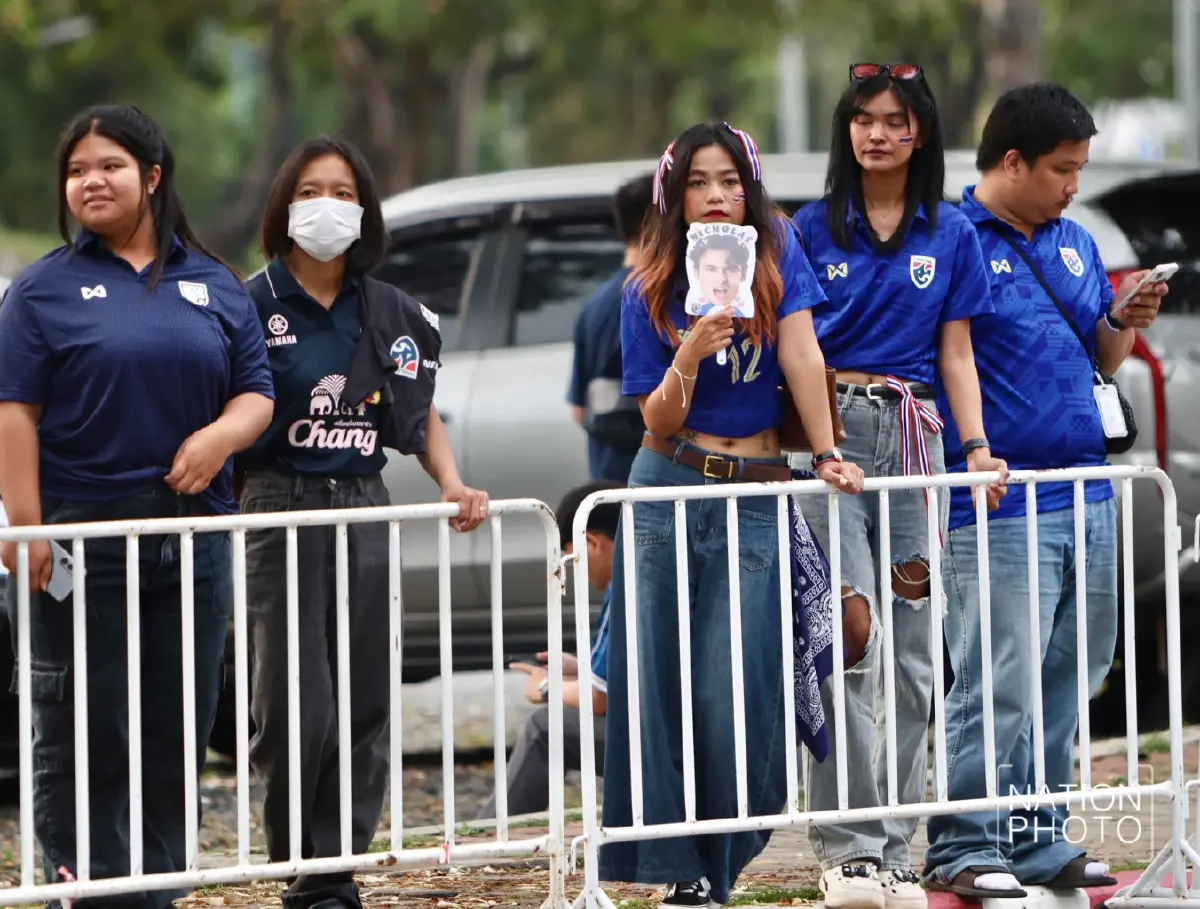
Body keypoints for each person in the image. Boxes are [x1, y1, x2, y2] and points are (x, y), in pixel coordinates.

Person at [0, 104, 275, 906]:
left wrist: (220, 437)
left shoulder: (214, 282)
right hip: (80, 538)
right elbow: (14, 412)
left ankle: (160, 887)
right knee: (81, 726)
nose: (91, 181)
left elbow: (256, 392)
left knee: (176, 723)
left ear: (152, 177)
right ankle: (88, 887)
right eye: (77, 170)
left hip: (192, 541)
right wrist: (26, 526)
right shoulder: (40, 290)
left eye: (110, 165)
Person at [600, 120, 865, 909]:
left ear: (749, 190)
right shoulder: (649, 283)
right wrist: (689, 350)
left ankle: (724, 859)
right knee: (661, 682)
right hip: (669, 483)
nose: (716, 196)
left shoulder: (777, 252)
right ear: (674, 196)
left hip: (756, 486)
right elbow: (655, 419)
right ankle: (683, 871)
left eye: (729, 181)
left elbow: (803, 355)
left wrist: (826, 451)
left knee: (740, 685)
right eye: (698, 182)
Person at [922, 82, 1168, 900]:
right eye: (1062, 168)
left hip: (1086, 491)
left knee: (1074, 670)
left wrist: (1125, 318)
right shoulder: (954, 238)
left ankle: (1036, 834)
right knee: (999, 675)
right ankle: (966, 840)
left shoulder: (1074, 241)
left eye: (1080, 167)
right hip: (998, 498)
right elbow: (947, 355)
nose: (1073, 184)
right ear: (1012, 161)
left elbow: (1099, 355)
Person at [235, 135, 489, 909]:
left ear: (365, 210)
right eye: (311, 190)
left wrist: (453, 482)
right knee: (292, 697)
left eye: (344, 193)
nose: (328, 206)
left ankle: (336, 866)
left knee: (364, 693)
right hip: (277, 505)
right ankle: (299, 857)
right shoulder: (248, 304)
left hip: (362, 503)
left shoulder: (390, 311)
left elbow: (419, 415)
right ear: (284, 206)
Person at [791, 63, 1008, 909]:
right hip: (835, 438)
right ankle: (846, 847)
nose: (876, 133)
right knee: (849, 637)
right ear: (846, 130)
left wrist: (977, 447)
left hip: (919, 437)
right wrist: (819, 444)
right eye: (862, 119)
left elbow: (957, 353)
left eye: (894, 120)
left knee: (917, 651)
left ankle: (892, 845)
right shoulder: (809, 227)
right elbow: (797, 349)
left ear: (921, 134)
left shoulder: (949, 232)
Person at [476, 479, 621, 821]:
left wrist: (545, 687)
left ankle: (491, 834)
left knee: (545, 727)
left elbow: (599, 699)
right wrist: (581, 668)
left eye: (572, 557)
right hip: (692, 735)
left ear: (592, 543)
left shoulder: (624, 588)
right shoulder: (657, 574)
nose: (574, 570)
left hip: (666, 746)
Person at [568, 174, 655, 483]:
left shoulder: (595, 304)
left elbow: (579, 410)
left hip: (607, 479)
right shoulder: (656, 299)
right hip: (654, 485)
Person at [687, 232, 751, 313]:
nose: (721, 280)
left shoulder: (746, 313)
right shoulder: (691, 310)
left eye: (731, 270)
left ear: (744, 273)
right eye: (711, 269)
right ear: (696, 272)